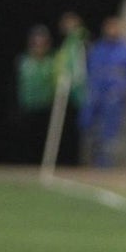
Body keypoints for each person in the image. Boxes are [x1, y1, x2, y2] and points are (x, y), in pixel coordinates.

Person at [81, 16, 126, 167]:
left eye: (115, 27)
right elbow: (88, 72)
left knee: (111, 134)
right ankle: (88, 165)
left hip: (115, 100)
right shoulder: (97, 49)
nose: (112, 31)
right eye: (109, 27)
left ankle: (108, 167)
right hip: (95, 97)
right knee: (89, 130)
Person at [16, 24, 55, 164]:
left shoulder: (52, 62)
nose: (39, 45)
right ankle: (26, 167)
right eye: (36, 42)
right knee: (27, 140)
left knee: (45, 140)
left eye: (42, 42)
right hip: (28, 107)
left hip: (45, 107)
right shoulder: (24, 61)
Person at [52, 11, 88, 165]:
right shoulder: (67, 44)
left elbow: (79, 65)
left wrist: (76, 81)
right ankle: (68, 160)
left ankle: (80, 162)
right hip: (67, 89)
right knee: (69, 127)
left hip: (79, 89)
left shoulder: (79, 41)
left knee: (82, 126)